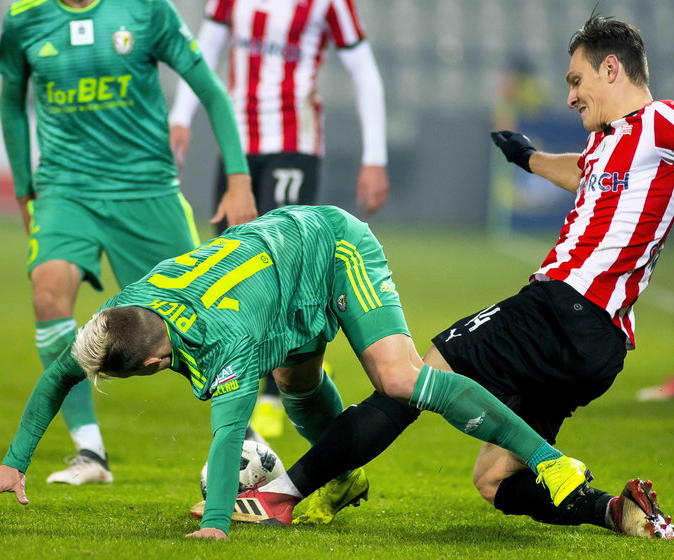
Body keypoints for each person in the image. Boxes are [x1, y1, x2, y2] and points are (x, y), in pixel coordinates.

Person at [229, 14, 674, 539]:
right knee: (494, 480)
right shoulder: (610, 144)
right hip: (596, 347)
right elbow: (581, 171)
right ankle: (621, 513)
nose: (571, 96)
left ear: (612, 67)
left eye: (577, 81)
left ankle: (281, 495)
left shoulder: (661, 122)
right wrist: (527, 157)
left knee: (406, 381)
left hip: (561, 308)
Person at [0, 205, 592, 540]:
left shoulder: (224, 343)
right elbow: (56, 377)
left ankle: (547, 459)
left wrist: (215, 522)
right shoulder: (124, 314)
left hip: (329, 247)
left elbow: (229, 432)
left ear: (153, 364)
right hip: (275, 281)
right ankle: (342, 483)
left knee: (399, 378)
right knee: (296, 383)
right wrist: (14, 462)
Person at [0, 0, 257, 484]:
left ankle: (249, 441)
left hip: (146, 189)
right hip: (65, 189)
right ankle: (90, 452)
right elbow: (11, 100)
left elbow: (210, 90)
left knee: (199, 318)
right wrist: (23, 187)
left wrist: (238, 179)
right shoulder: (24, 17)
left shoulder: (146, 10)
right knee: (48, 292)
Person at [167, 0, 389, 439]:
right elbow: (204, 49)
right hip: (237, 146)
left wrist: (375, 157)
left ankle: (272, 393)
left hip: (295, 142)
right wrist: (180, 116)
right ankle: (240, 375)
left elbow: (364, 71)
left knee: (282, 266)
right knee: (231, 262)